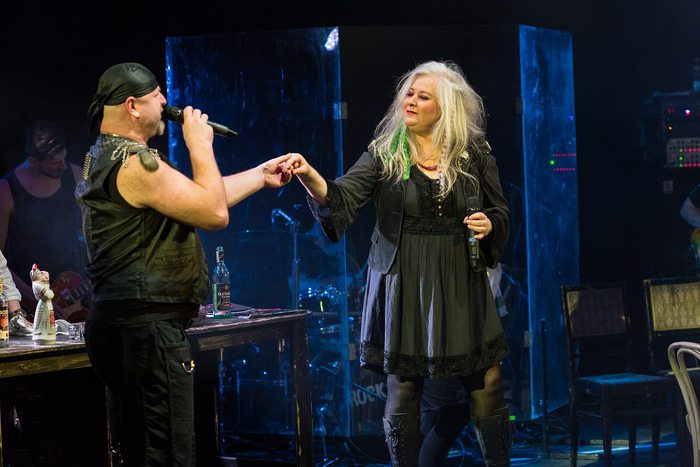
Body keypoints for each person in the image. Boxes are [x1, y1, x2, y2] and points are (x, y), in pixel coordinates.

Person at [284, 60, 511, 466]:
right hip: (402, 279)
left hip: (460, 279)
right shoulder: (385, 154)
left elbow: (500, 211)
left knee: (487, 382)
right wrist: (308, 174)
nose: (411, 101)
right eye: (409, 93)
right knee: (405, 388)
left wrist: (489, 223)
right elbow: (341, 198)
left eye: (423, 97)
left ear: (445, 108)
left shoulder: (473, 154)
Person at [76, 62, 294, 466]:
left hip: (127, 327)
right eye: (156, 94)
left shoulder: (105, 156)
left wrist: (260, 176)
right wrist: (199, 144)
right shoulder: (135, 163)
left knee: (144, 451)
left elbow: (196, 199)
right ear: (132, 106)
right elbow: (213, 213)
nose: (165, 101)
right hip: (148, 331)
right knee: (168, 455)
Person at [0, 120, 88, 319]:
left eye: (64, 158)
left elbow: (87, 230)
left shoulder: (74, 175)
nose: (63, 166)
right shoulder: (7, 190)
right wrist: (33, 298)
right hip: (28, 301)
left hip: (73, 294)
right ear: (34, 160)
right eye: (54, 162)